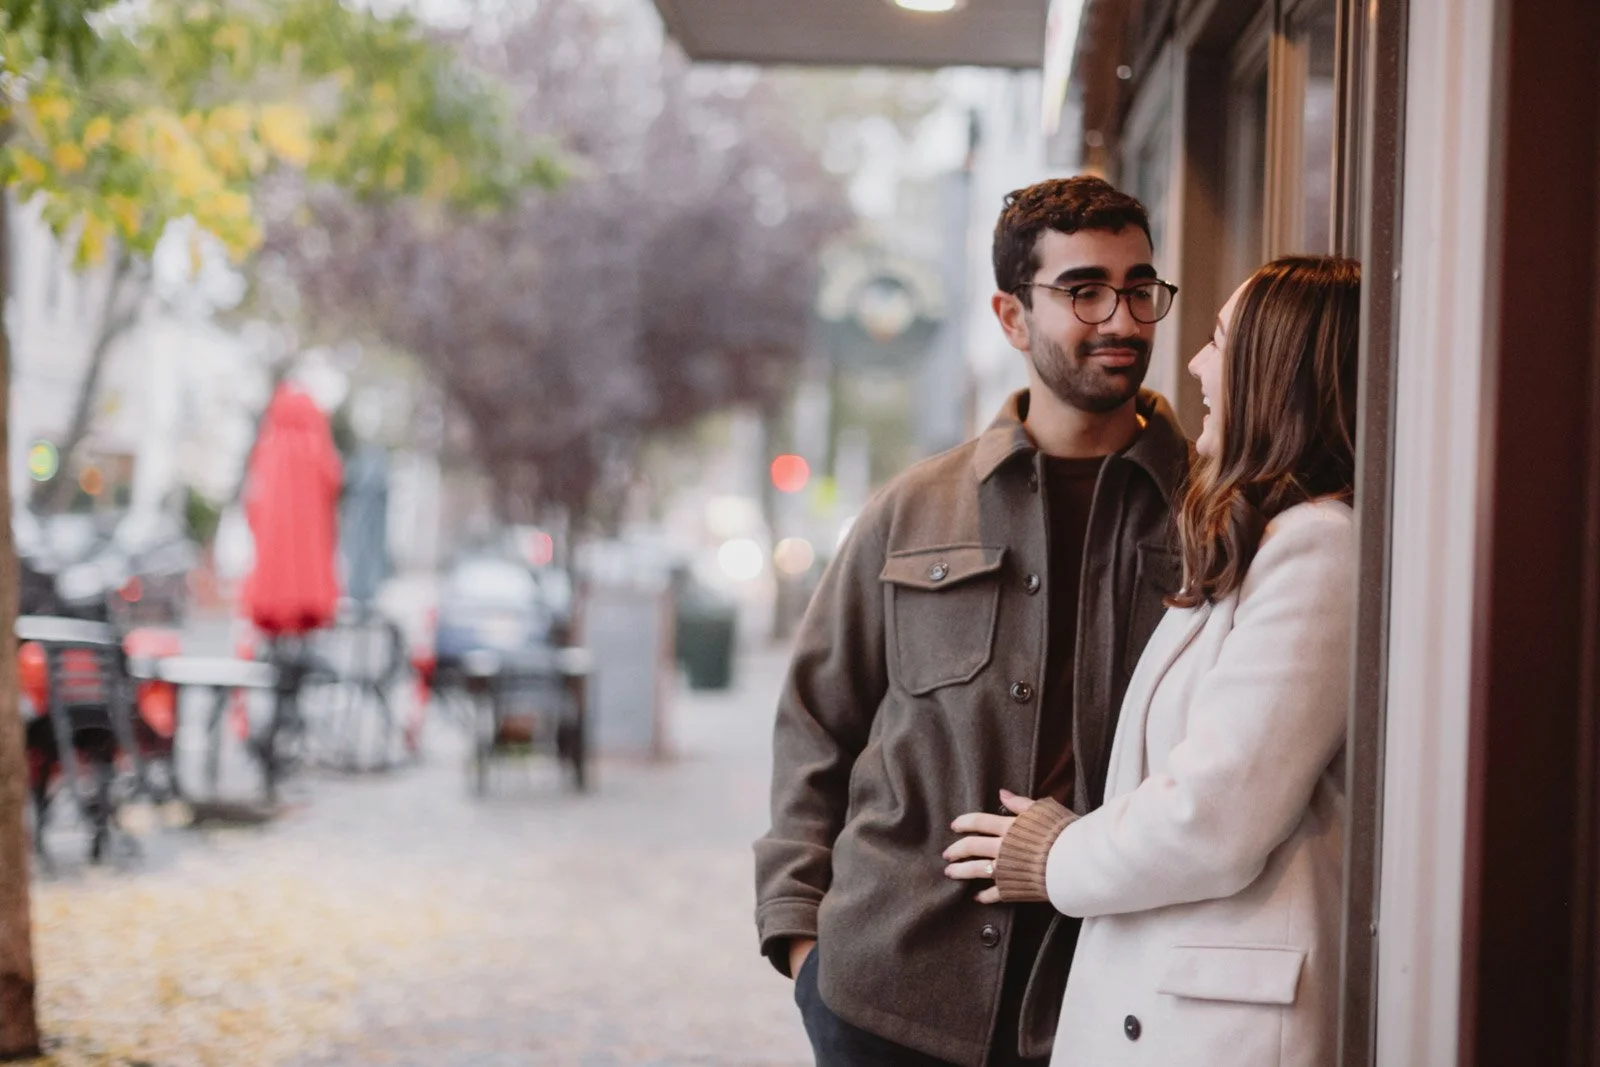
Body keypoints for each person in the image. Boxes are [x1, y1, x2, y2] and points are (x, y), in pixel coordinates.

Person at [754, 176, 1191, 1067]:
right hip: (890, 996)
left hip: (1107, 1003)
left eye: (1139, 287)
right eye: (1084, 291)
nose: (1122, 318)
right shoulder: (914, 508)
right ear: (1010, 315)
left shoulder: (1210, 514)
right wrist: (803, 945)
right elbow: (816, 723)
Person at [943, 255, 1361, 1067]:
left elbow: (1216, 814)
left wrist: (1053, 855)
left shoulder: (1318, 548)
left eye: (1219, 340)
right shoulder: (1267, 537)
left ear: (1278, 373)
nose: (1198, 364)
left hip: (1220, 1025)